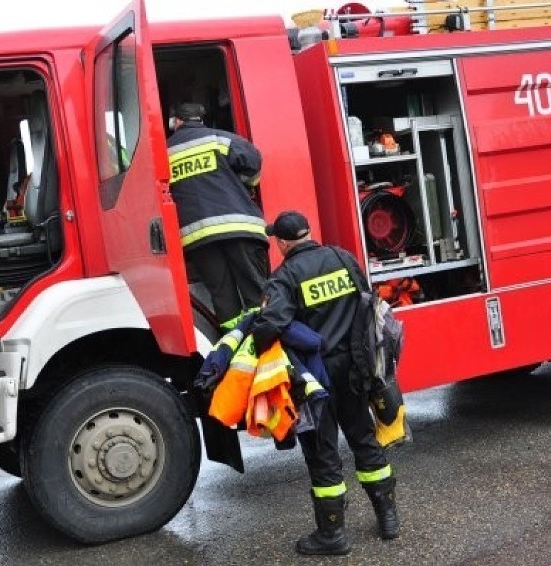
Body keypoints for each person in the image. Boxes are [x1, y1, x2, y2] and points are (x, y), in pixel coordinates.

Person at [251, 210, 400, 556]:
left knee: (322, 452)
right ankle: (388, 518)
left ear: (283, 243)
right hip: (354, 368)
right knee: (364, 438)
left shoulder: (284, 277)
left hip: (313, 378)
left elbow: (272, 323)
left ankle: (333, 535)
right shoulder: (342, 258)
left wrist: (255, 340)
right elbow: (365, 302)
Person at [167, 102, 269, 328]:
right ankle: (270, 344)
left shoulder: (164, 153)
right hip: (239, 228)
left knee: (223, 296)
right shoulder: (221, 139)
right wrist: (245, 185)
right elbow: (253, 160)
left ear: (177, 122)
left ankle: (236, 349)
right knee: (255, 289)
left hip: (198, 239)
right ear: (201, 119)